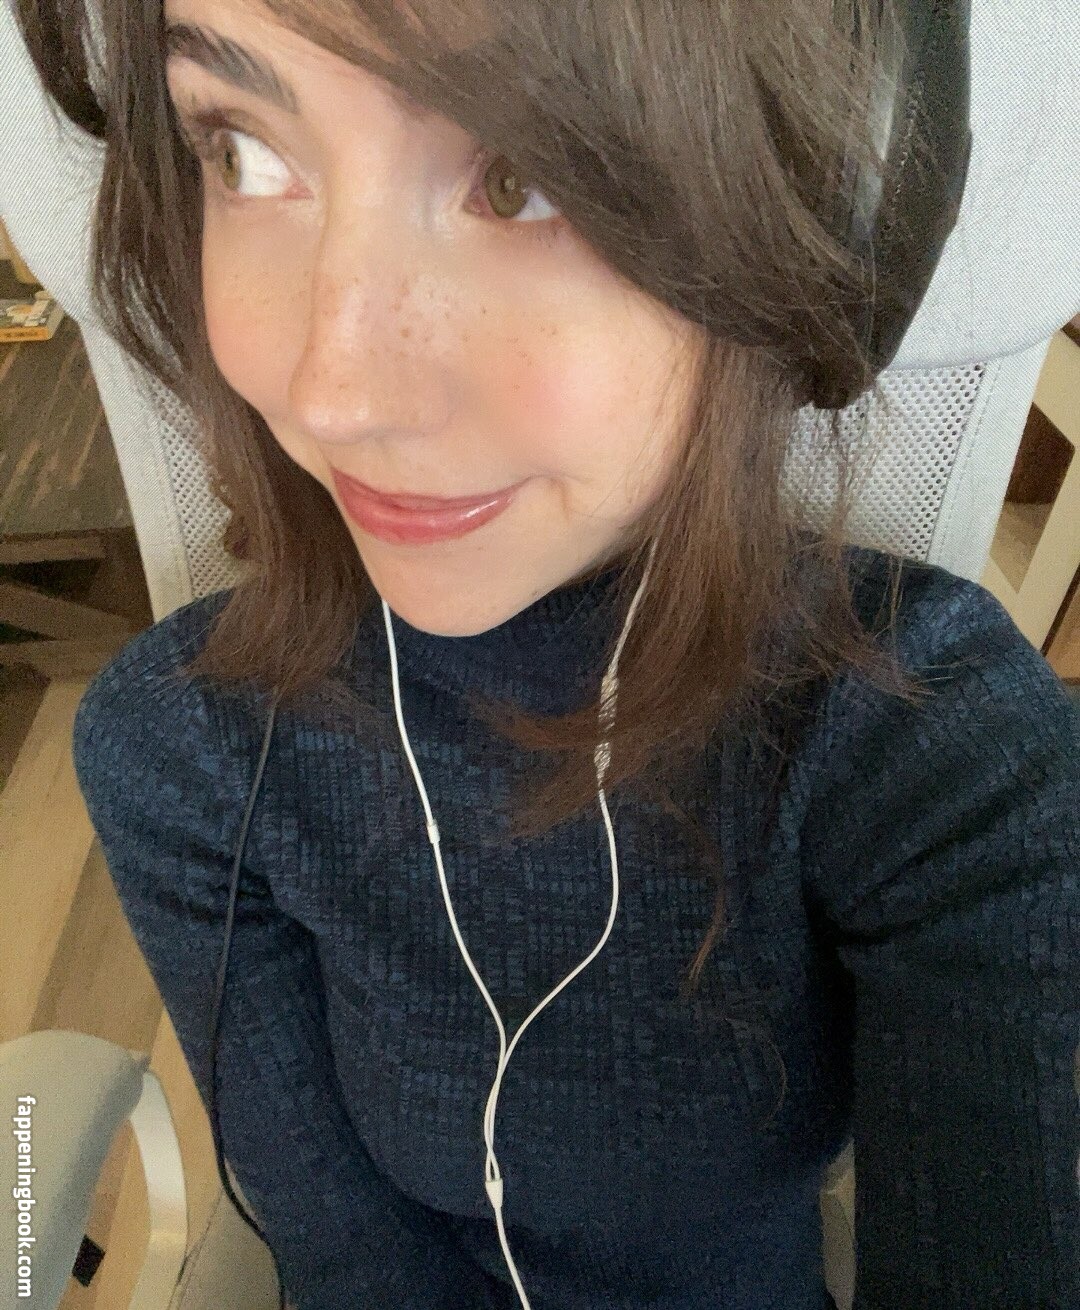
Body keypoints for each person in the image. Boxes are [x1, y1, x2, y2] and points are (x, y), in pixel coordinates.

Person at [16, 0, 1076, 1306]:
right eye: (241, 150)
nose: (334, 390)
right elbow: (349, 1264)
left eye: (520, 177)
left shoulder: (936, 751)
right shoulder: (181, 750)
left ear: (808, 221)